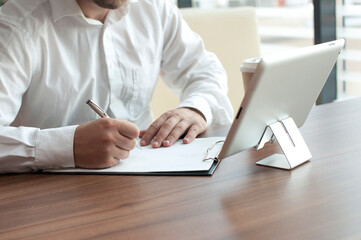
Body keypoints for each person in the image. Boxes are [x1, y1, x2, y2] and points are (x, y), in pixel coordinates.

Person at [0, 0, 233, 173]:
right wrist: (68, 146)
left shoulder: (154, 7)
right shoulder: (14, 27)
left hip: (149, 183)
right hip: (48, 197)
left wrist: (196, 108)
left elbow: (205, 72)